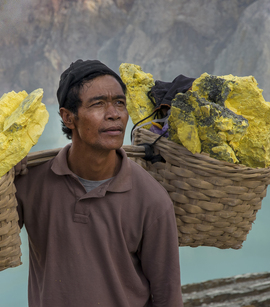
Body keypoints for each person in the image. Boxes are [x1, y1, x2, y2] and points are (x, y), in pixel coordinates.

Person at [14, 59, 183, 306]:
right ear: (68, 117)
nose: (114, 114)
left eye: (119, 103)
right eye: (98, 104)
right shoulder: (31, 183)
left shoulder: (151, 200)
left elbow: (168, 296)